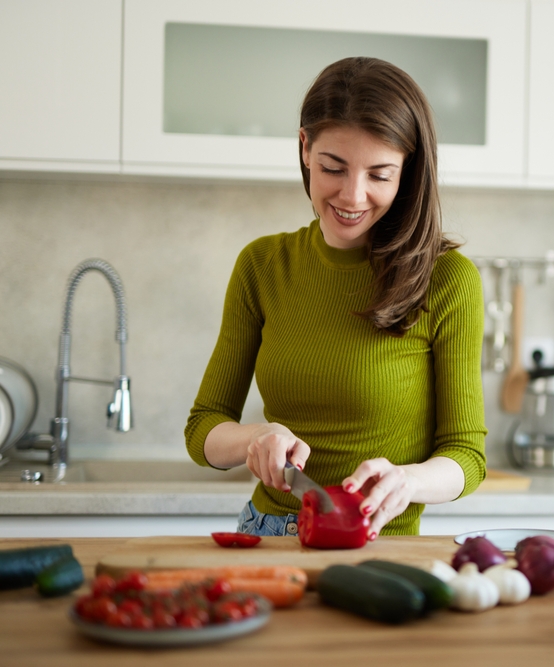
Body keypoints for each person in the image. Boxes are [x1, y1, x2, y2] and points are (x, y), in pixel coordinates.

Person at [184, 57, 487, 539]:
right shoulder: (262, 266)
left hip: (380, 545)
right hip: (266, 533)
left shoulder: (447, 279)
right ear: (305, 148)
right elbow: (204, 429)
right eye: (334, 167)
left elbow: (466, 456)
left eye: (380, 175)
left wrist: (407, 481)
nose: (353, 195)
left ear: (408, 171)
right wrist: (254, 437)